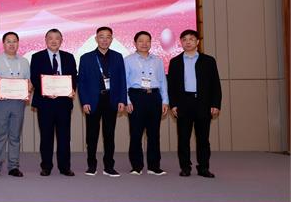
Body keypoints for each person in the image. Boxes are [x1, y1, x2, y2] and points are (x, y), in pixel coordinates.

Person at [167, 29, 222, 178]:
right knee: (183, 138)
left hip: (203, 103)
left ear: (197, 42)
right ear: (181, 42)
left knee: (203, 139)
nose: (188, 42)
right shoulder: (175, 62)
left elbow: (215, 85)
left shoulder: (209, 61)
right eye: (184, 39)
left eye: (191, 39)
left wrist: (215, 104)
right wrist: (173, 104)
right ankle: (185, 167)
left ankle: (203, 168)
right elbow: (171, 86)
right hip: (184, 103)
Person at [78, 26, 127, 177]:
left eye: (108, 37)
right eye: (101, 37)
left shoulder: (118, 57)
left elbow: (122, 80)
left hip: (111, 100)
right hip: (93, 101)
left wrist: (122, 100)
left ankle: (109, 166)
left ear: (112, 39)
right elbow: (82, 82)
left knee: (109, 135)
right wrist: (84, 101)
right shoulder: (86, 58)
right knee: (92, 135)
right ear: (96, 39)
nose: (104, 40)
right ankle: (91, 165)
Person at [30, 28, 78, 176]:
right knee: (46, 136)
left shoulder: (69, 57)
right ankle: (46, 166)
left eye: (57, 38)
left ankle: (65, 167)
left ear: (61, 40)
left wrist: (71, 89)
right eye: (50, 38)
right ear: (46, 40)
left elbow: (74, 77)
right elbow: (34, 78)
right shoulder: (37, 57)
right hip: (45, 103)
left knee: (64, 137)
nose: (54, 41)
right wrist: (46, 91)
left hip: (63, 103)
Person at [125, 31, 169, 175]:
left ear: (151, 43)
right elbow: (124, 82)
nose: (144, 44)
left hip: (154, 97)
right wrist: (127, 100)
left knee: (154, 134)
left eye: (147, 41)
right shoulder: (128, 60)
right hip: (136, 97)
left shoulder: (157, 60)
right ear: (135, 43)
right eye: (141, 41)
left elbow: (162, 81)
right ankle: (136, 166)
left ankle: (154, 166)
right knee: (136, 134)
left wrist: (165, 100)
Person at [0, 32, 31, 178]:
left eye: (14, 41)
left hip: (18, 103)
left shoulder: (24, 61)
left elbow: (29, 81)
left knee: (15, 136)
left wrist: (27, 90)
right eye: (8, 41)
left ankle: (13, 166)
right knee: (0, 135)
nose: (12, 44)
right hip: (1, 103)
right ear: (3, 44)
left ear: (18, 43)